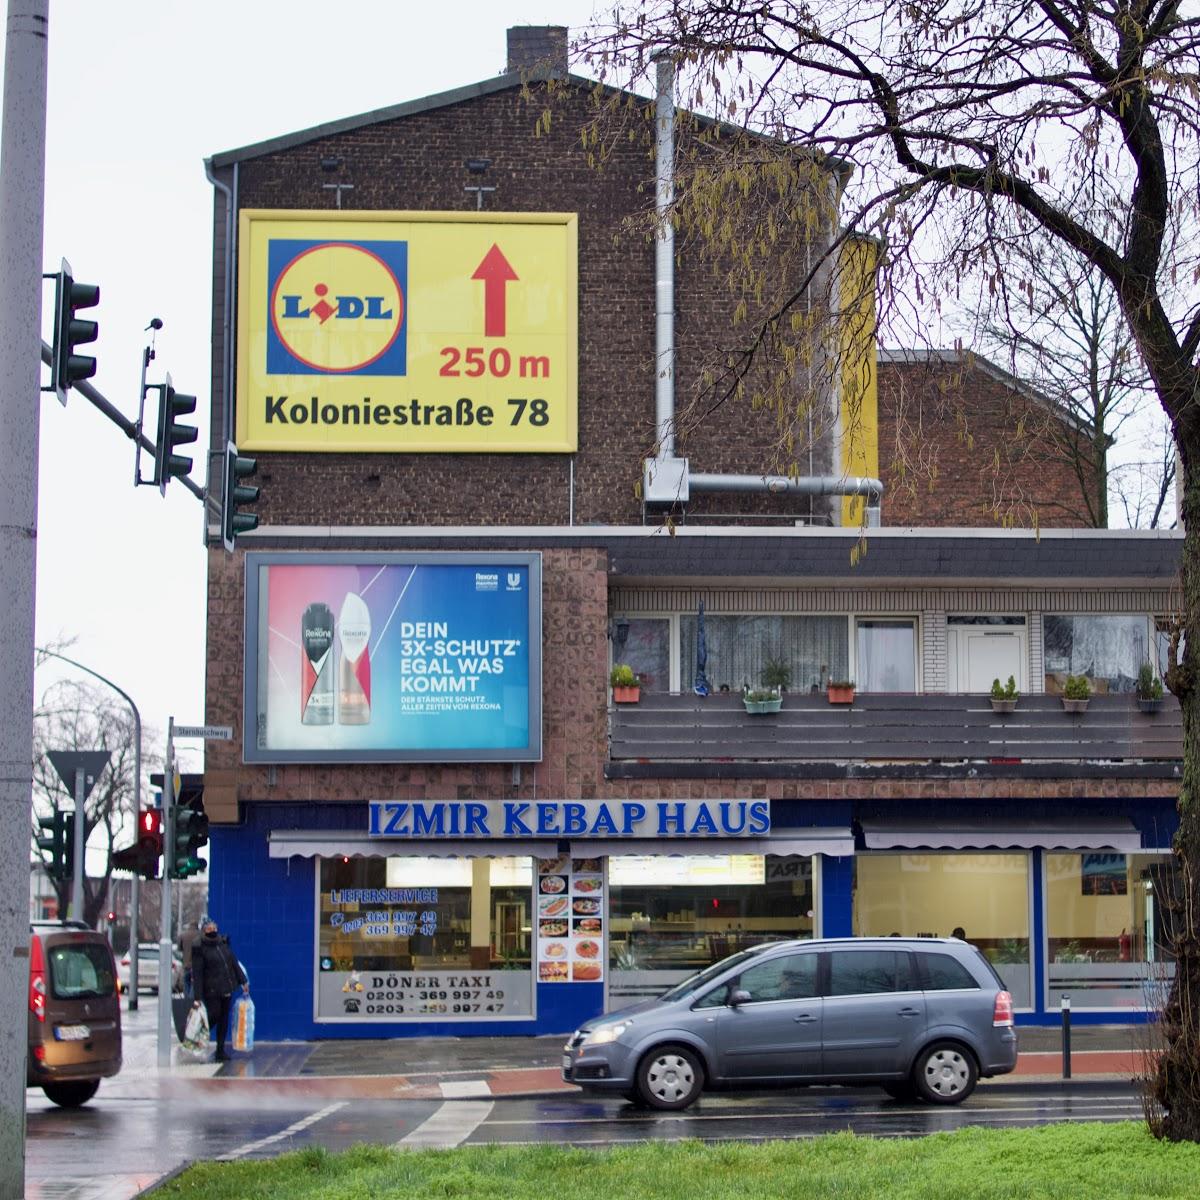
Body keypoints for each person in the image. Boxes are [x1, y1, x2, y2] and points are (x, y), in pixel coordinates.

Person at [190, 916, 249, 1061]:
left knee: (224, 1018)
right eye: (209, 927)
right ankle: (197, 1034)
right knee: (215, 1014)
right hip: (211, 989)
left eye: (214, 927)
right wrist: (197, 997)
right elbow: (197, 973)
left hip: (227, 987)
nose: (213, 929)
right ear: (204, 930)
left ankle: (220, 1050)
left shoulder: (223, 943)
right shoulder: (200, 948)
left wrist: (243, 981)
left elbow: (233, 963)